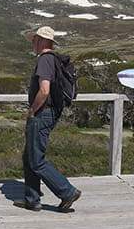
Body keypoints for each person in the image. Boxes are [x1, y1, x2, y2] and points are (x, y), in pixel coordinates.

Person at [13, 26, 82, 212]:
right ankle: (32, 199)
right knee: (29, 156)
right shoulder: (53, 60)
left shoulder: (44, 60)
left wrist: (32, 111)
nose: (33, 44)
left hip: (42, 113)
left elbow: (44, 90)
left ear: (41, 41)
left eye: (34, 40)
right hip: (50, 112)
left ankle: (67, 191)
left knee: (36, 160)